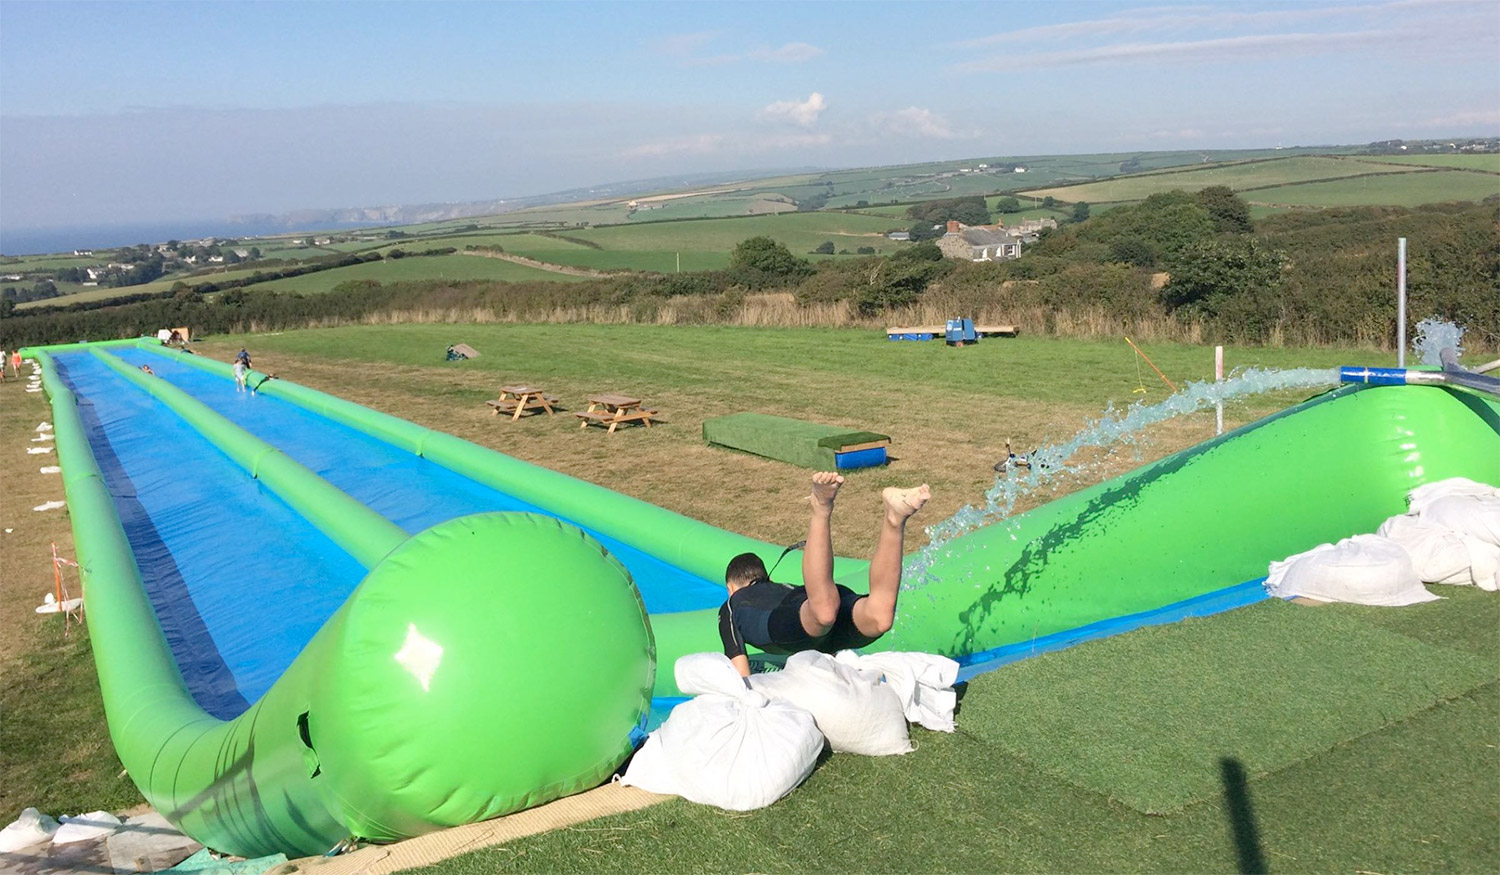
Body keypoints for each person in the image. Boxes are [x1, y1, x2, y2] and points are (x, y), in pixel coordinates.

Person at [718, 472, 931, 678]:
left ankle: (820, 507)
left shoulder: (731, 605)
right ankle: (895, 519)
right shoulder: (783, 587)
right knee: (879, 616)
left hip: (807, 617)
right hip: (819, 616)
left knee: (825, 612)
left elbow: (740, 676)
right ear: (768, 579)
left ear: (730, 588)